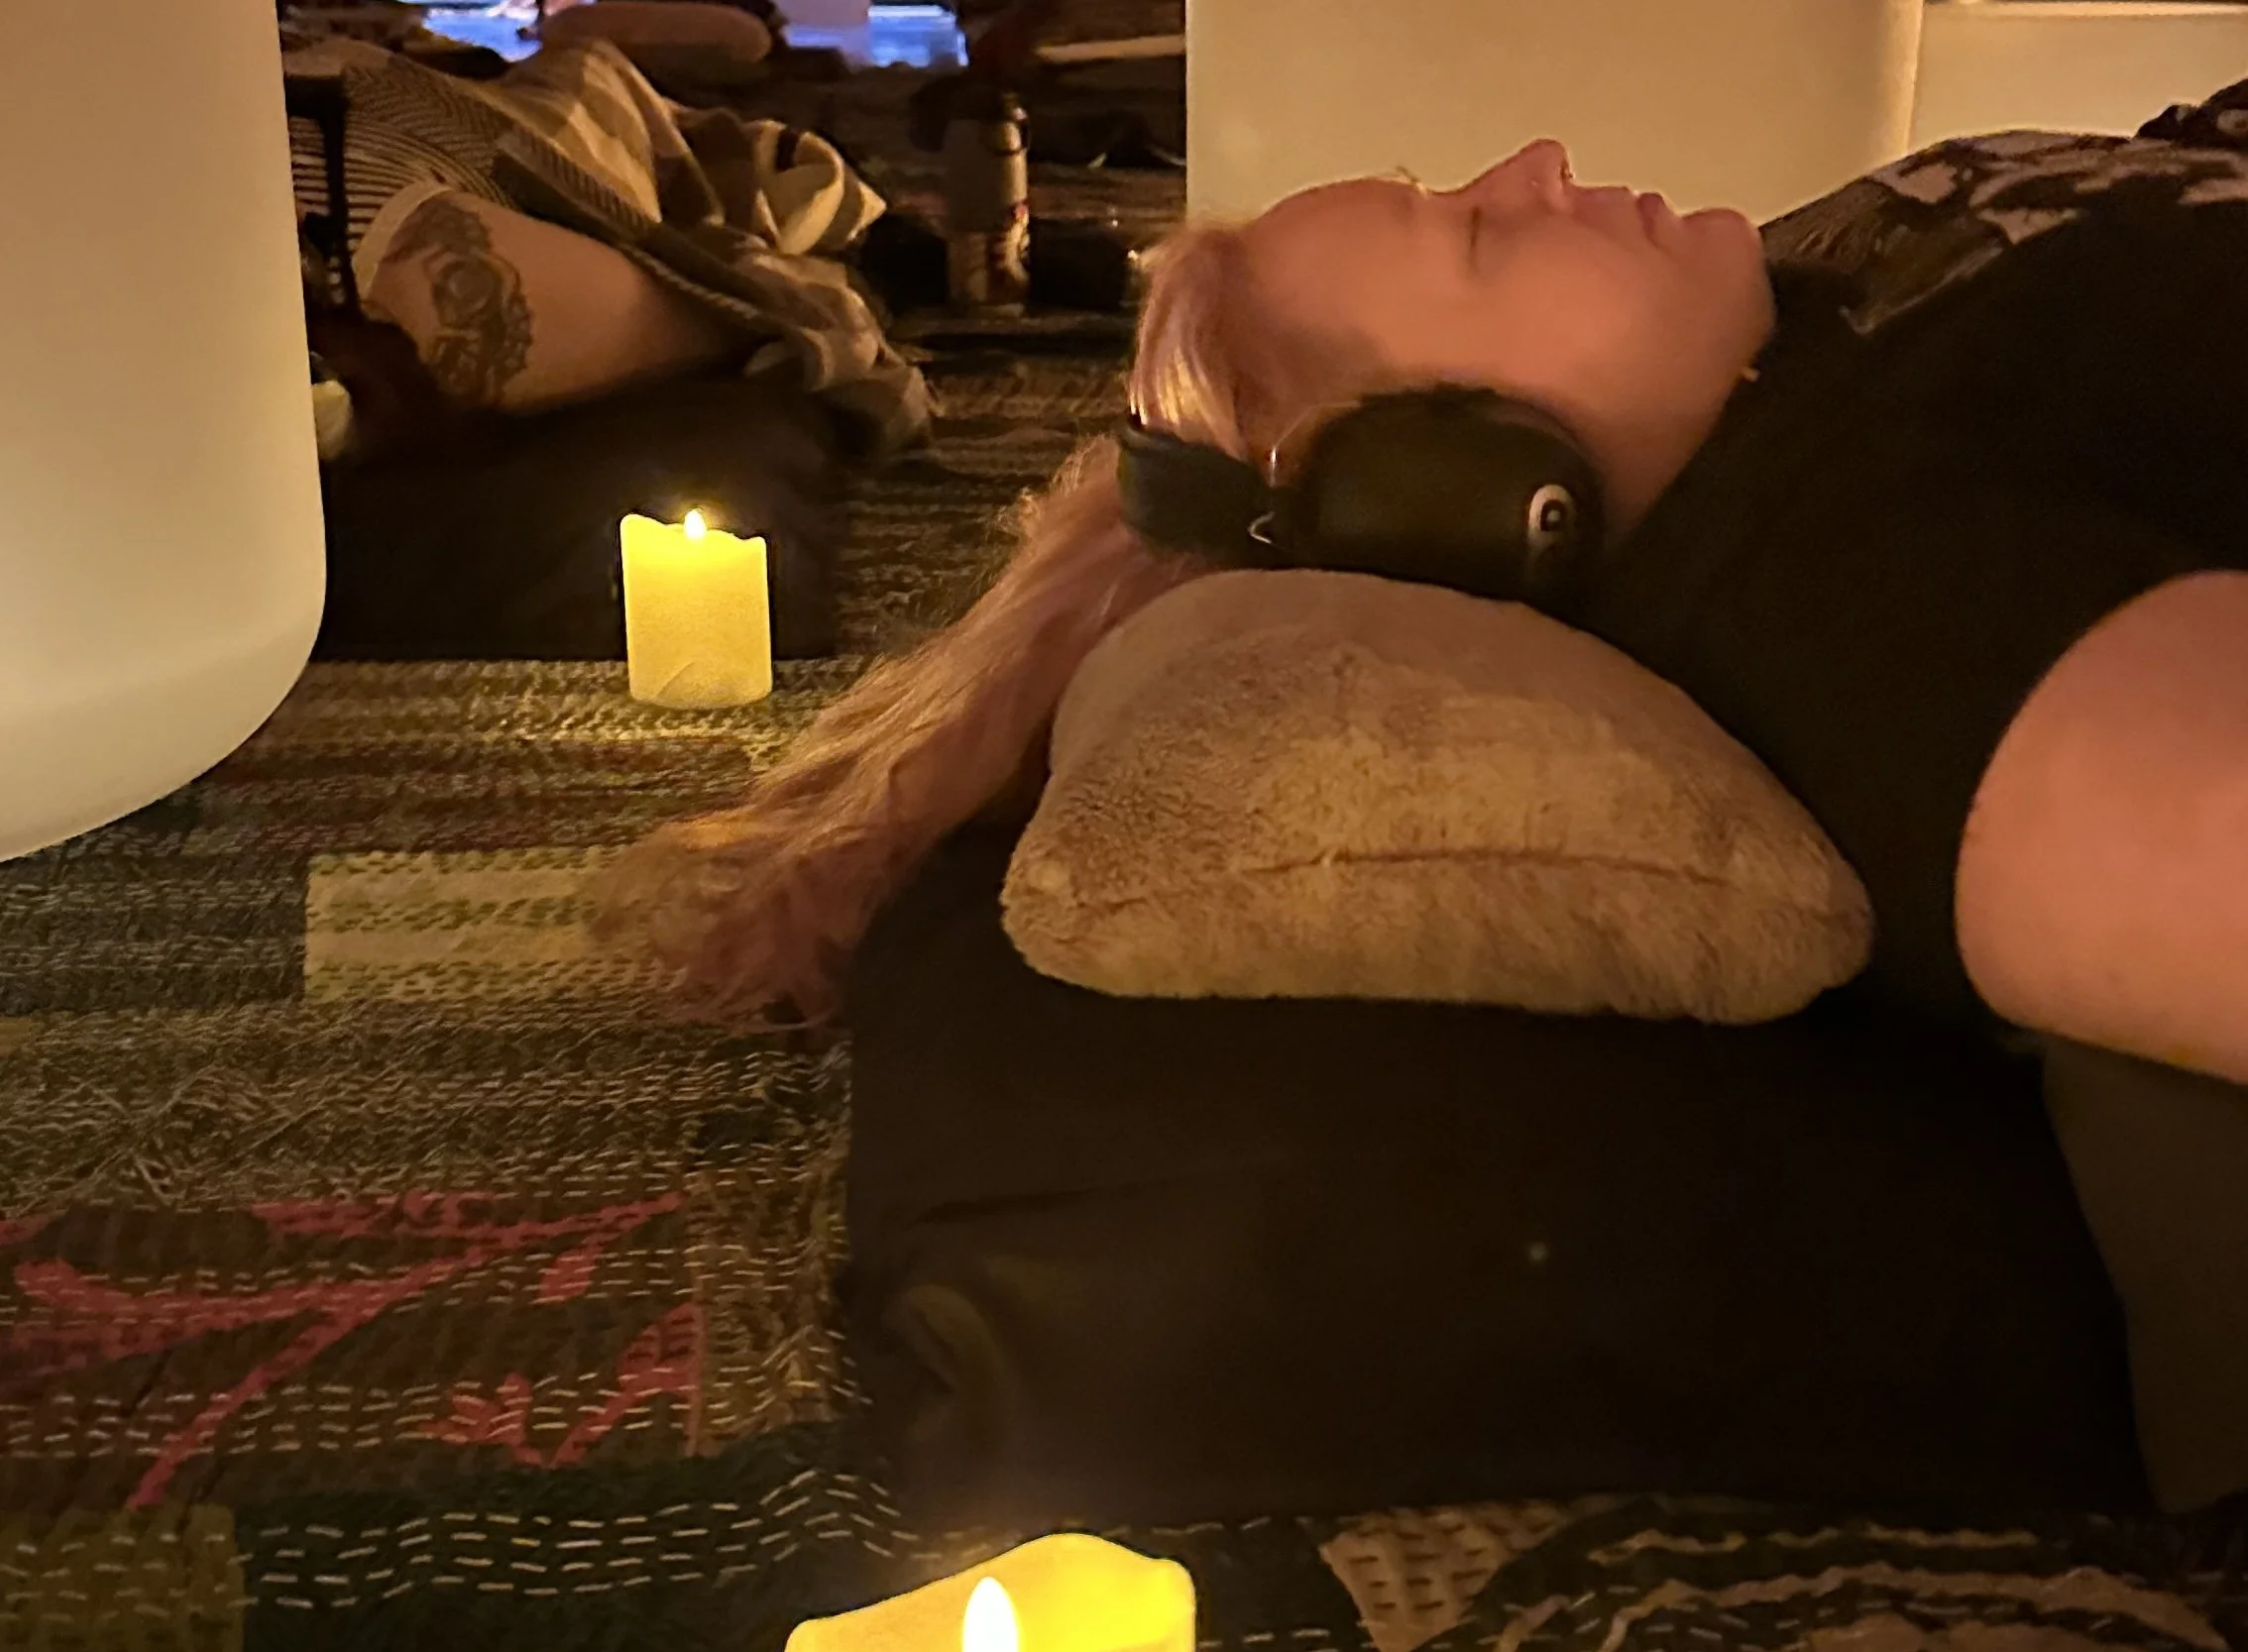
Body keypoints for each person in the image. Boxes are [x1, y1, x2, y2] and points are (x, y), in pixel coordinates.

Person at [596, 114, 2248, 1084]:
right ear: (1451, 483)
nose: (1537, 161)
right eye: (1477, 239)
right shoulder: (1860, 600)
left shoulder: (1790, 343)